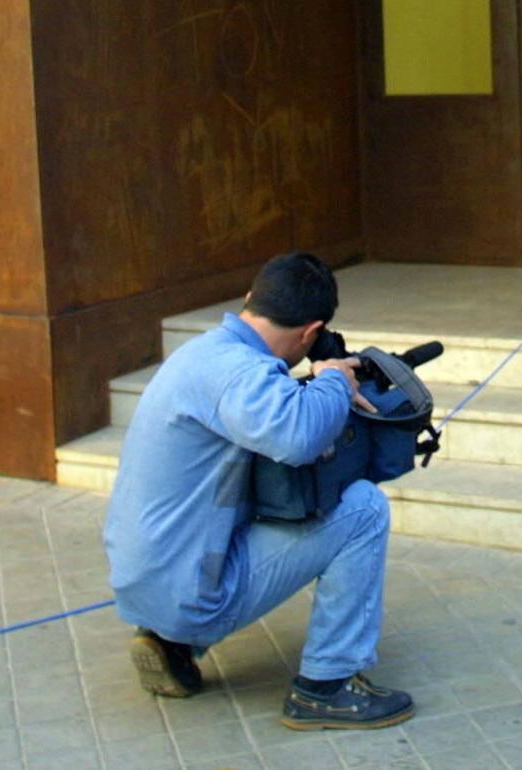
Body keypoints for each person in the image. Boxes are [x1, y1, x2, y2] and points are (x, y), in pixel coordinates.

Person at [102, 251, 414, 730]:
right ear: (311, 332)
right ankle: (326, 687)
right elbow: (298, 437)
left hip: (144, 578)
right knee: (364, 507)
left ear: (252, 298)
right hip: (187, 593)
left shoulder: (206, 351)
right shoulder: (239, 372)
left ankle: (171, 644)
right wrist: (333, 377)